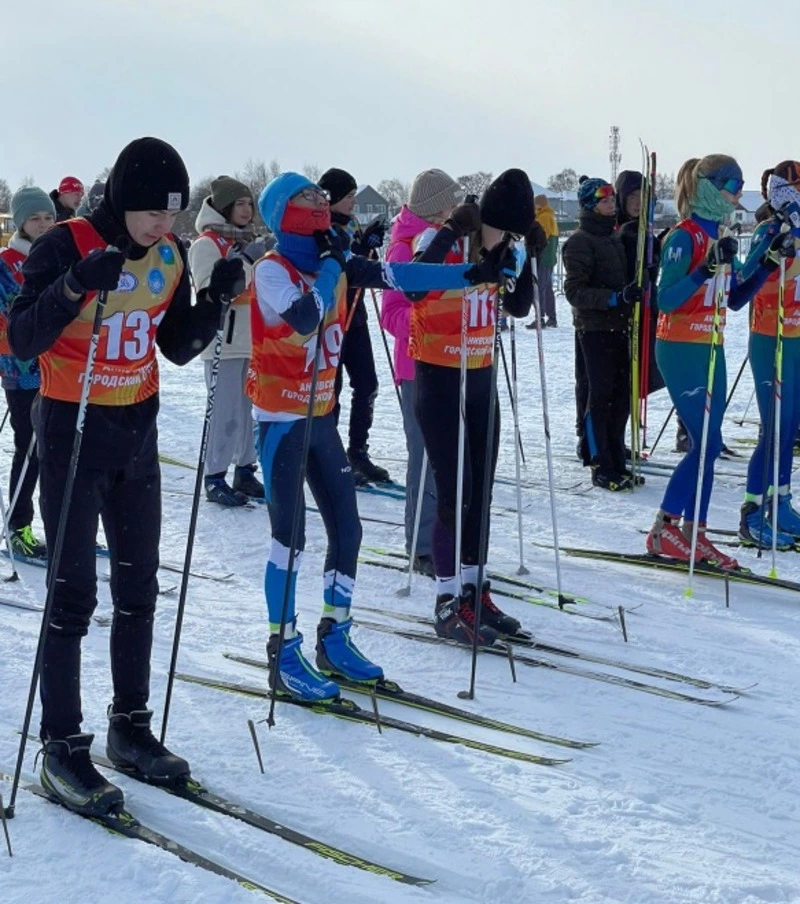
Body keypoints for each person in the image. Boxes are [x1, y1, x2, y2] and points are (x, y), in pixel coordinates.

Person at [8, 137, 245, 816]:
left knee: (139, 587)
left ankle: (131, 727)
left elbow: (172, 348)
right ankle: (62, 745)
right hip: (71, 433)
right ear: (123, 202)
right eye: (152, 215)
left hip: (136, 435)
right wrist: (78, 284)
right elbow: (22, 337)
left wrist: (213, 305)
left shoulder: (169, 257)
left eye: (172, 215)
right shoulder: (65, 242)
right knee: (73, 594)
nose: (163, 228)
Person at [250, 172, 507, 700]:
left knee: (348, 530)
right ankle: (283, 647)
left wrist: (473, 272)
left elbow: (401, 278)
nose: (319, 204)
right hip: (280, 420)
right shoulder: (271, 269)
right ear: (283, 212)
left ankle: (334, 634)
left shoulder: (335, 259)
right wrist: (330, 267)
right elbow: (305, 318)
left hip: (320, 416)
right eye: (308, 198)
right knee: (290, 540)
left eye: (320, 198)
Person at [409, 169, 535, 646]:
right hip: (439, 379)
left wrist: (529, 255)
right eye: (500, 229)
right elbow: (416, 285)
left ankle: (473, 588)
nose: (504, 240)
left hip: (480, 379)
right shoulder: (440, 239)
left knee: (480, 490)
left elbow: (520, 307)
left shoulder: (503, 247)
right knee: (452, 493)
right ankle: (446, 599)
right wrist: (449, 232)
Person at [644, 154, 785, 565]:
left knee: (710, 443)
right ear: (710, 187)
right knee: (705, 442)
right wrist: (704, 270)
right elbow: (666, 299)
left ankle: (694, 531)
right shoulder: (683, 237)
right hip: (681, 347)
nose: (739, 194)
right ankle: (664, 529)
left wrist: (767, 262)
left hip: (711, 346)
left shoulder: (718, 234)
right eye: (733, 186)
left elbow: (737, 298)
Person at [382, 168, 463, 577]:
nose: (455, 209)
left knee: (450, 456)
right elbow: (392, 312)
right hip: (418, 366)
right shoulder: (404, 246)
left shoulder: (447, 239)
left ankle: (448, 537)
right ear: (435, 207)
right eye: (450, 202)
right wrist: (432, 322)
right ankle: (421, 545)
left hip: (453, 360)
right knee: (426, 456)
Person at [189, 175, 267, 506]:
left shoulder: (248, 239)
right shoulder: (206, 244)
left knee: (251, 410)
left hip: (253, 338)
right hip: (225, 338)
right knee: (225, 412)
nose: (247, 210)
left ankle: (245, 469)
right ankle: (215, 474)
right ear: (224, 208)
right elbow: (214, 293)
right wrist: (246, 261)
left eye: (249, 203)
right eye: (239, 204)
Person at [564, 176, 640, 490]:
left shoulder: (614, 236)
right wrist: (613, 298)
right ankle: (600, 463)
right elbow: (574, 290)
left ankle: (617, 458)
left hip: (620, 326)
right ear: (591, 205)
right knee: (601, 396)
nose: (612, 205)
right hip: (594, 330)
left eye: (612, 200)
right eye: (605, 201)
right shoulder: (581, 240)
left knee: (622, 396)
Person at [739, 160, 800, 548]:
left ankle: (781, 501)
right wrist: (779, 260)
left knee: (790, 427)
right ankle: (752, 512)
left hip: (796, 337)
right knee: (773, 428)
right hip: (770, 336)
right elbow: (748, 280)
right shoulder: (769, 229)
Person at [318, 167, 390, 486]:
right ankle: (328, 457)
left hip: (355, 318)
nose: (353, 203)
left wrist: (368, 245)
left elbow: (359, 266)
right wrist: (360, 251)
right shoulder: (318, 229)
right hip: (331, 322)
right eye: (348, 197)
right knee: (328, 391)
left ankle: (357, 452)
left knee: (367, 384)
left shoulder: (351, 225)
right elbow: (338, 268)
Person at [0, 187, 56, 558]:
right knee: (30, 447)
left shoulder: (57, 253)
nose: (43, 224)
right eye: (35, 218)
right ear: (21, 222)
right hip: (21, 366)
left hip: (59, 366)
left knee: (59, 449)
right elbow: (14, 311)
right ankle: (18, 526)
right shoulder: (7, 260)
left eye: (49, 217)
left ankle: (62, 524)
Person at [527, 193, 559, 328]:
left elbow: (539, 238)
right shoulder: (550, 216)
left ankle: (539, 318)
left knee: (539, 289)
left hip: (543, 257)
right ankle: (552, 317)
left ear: (539, 205)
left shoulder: (543, 218)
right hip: (549, 258)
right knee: (547, 289)